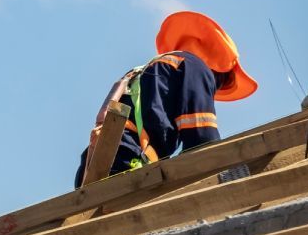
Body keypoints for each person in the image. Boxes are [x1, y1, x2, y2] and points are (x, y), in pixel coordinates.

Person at [76, 11, 258, 186]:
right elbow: (203, 140)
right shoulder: (195, 68)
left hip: (92, 167)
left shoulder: (146, 69)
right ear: (218, 69)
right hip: (129, 163)